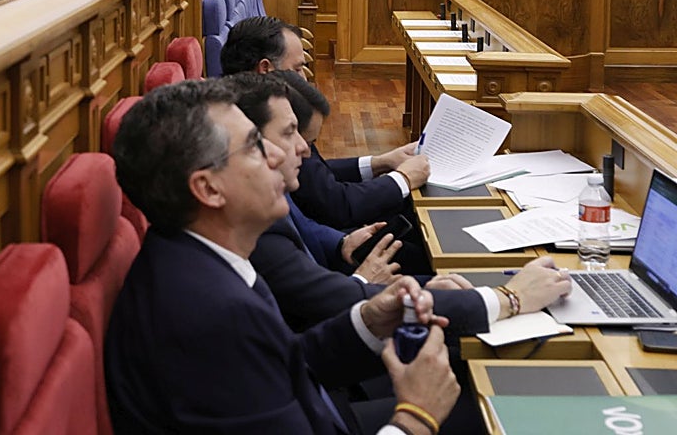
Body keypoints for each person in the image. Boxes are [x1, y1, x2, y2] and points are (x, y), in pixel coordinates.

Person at [104, 78, 460, 435]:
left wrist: (366, 321)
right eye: (254, 146)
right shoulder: (209, 314)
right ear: (208, 188)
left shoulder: (199, 255)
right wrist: (415, 419)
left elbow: (283, 359)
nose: (277, 155)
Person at [230, 71, 572, 336]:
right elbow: (323, 309)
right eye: (290, 134)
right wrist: (509, 298)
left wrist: (341, 246)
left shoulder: (263, 206)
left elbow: (305, 228)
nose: (305, 150)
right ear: (251, 146)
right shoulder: (254, 227)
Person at [220, 16, 430, 230]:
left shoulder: (237, 104)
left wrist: (379, 162)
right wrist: (404, 178)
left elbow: (316, 175)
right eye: (298, 68)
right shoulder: (261, 123)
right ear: (266, 69)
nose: (304, 78)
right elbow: (336, 205)